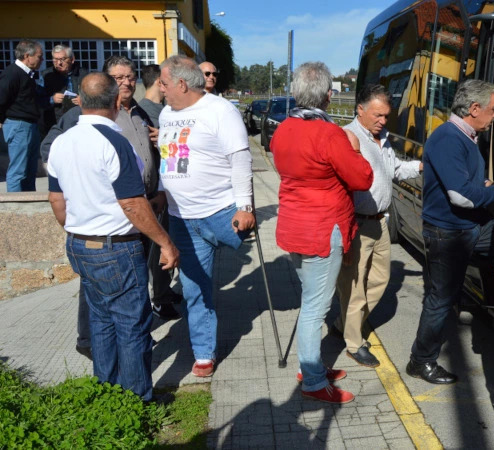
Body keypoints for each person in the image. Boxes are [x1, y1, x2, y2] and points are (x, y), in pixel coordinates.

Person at [47, 72, 180, 402]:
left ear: (81, 99)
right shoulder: (115, 141)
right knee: (132, 326)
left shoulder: (62, 141)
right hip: (115, 247)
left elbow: (56, 199)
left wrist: (78, 228)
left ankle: (107, 397)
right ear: (115, 101)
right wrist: (165, 242)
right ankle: (136, 403)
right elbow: (133, 204)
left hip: (80, 243)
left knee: (101, 322)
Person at [271, 61, 373, 404]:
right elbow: (362, 179)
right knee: (315, 307)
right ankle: (313, 380)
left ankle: (310, 365)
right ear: (329, 96)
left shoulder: (284, 128)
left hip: (293, 224)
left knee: (310, 300)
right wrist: (356, 151)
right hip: (322, 228)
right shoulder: (329, 134)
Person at [158, 55, 255, 377]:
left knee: (275, 264)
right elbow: (168, 157)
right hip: (181, 220)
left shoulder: (220, 110)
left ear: (182, 84)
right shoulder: (166, 112)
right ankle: (203, 354)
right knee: (195, 288)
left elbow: (240, 159)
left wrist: (246, 207)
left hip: (222, 212)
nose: (160, 87)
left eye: (164, 82)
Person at [406, 79, 494, 385]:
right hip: (449, 233)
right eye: (492, 109)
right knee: (441, 298)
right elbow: (460, 195)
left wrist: (482, 188)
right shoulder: (449, 138)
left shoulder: (466, 136)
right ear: (474, 109)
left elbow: (466, 184)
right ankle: (421, 361)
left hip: (468, 227)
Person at [333, 84, 421, 368]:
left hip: (380, 222)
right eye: (378, 115)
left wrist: (421, 166)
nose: (384, 121)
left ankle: (344, 323)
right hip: (356, 223)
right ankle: (353, 343)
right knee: (354, 287)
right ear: (360, 110)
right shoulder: (348, 137)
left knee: (380, 280)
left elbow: (394, 170)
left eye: (386, 116)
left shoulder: (381, 137)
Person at [0, 40, 44, 192]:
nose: (42, 60)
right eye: (39, 56)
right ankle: (14, 208)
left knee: (29, 171)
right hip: (19, 125)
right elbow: (1, 98)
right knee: (18, 171)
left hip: (30, 124)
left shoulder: (27, 75)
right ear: (27, 56)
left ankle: (29, 208)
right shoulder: (12, 73)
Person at [41, 44, 87, 132]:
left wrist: (83, 100)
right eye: (55, 59)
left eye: (62, 59)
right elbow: (36, 100)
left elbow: (95, 97)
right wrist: (51, 99)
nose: (59, 63)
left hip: (79, 120)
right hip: (54, 122)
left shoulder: (84, 74)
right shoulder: (46, 75)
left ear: (72, 59)